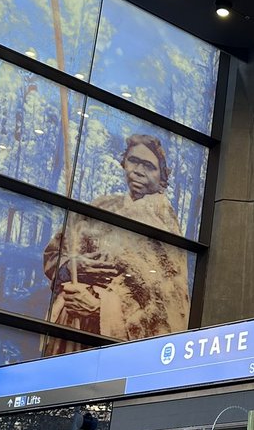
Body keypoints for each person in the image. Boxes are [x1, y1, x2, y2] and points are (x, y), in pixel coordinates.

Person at [43, 135, 190, 351]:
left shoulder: (164, 225)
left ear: (162, 178)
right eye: (133, 161)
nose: (138, 170)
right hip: (70, 332)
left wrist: (101, 308)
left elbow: (167, 305)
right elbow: (53, 255)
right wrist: (71, 266)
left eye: (148, 166)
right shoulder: (100, 207)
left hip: (114, 344)